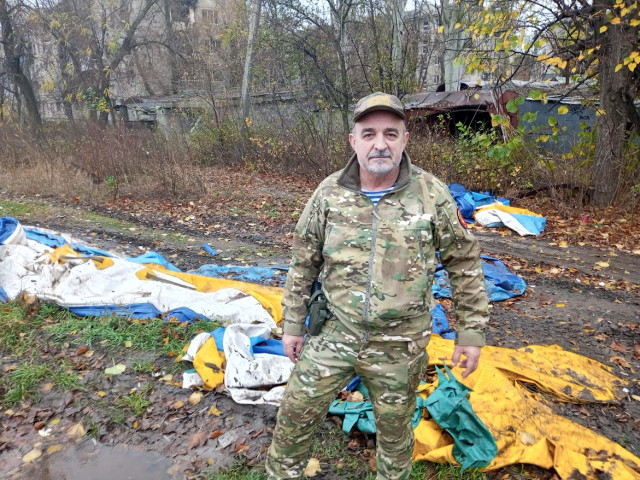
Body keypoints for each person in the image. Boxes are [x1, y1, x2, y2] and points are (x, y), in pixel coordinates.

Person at [265, 92, 489, 480]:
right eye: (369, 134)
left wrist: (470, 332)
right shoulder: (329, 193)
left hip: (400, 343)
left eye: (390, 133)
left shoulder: (431, 194)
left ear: (405, 139)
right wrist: (292, 324)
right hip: (335, 332)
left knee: (395, 436)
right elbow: (304, 262)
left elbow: (463, 260)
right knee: (294, 416)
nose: (380, 143)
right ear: (354, 141)